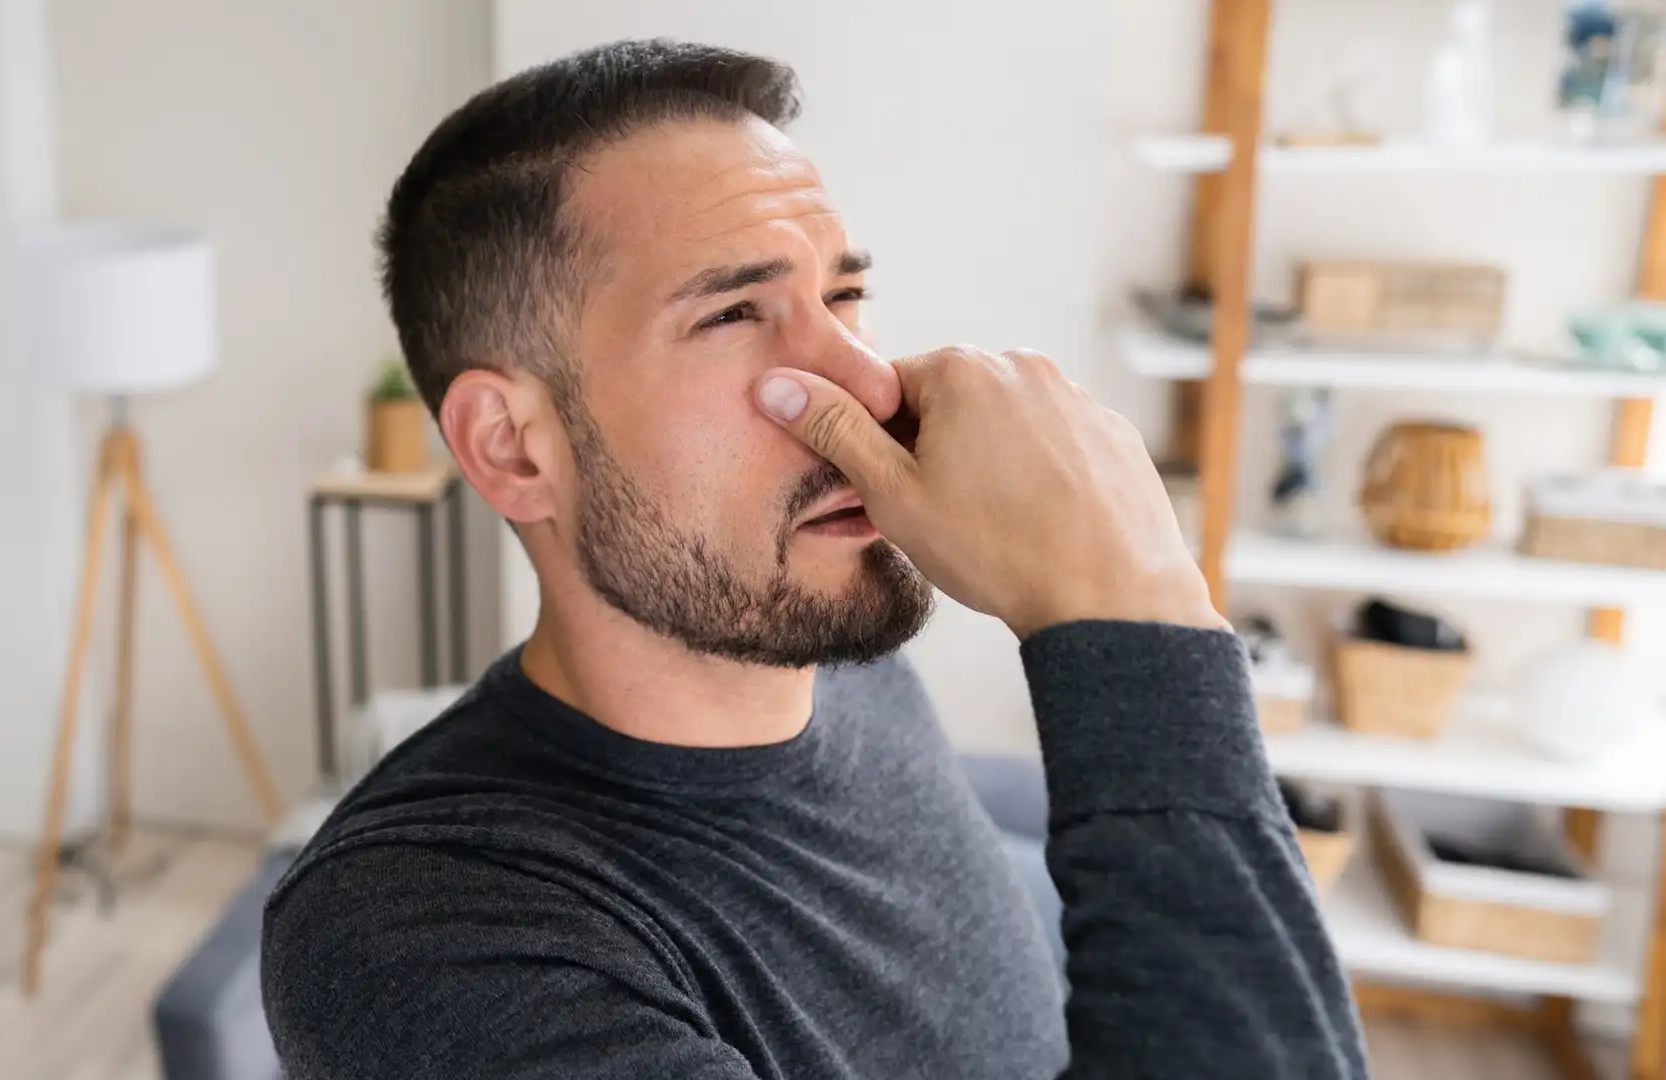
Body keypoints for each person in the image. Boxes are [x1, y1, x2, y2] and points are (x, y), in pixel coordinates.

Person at [262, 39, 1367, 1080]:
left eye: (843, 297)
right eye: (734, 314)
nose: (867, 386)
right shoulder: (422, 934)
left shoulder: (847, 667)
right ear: (512, 446)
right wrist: (1127, 616)